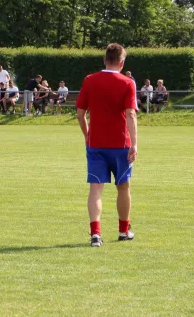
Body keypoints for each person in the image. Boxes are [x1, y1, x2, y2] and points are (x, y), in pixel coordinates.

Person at [76, 43, 137, 247]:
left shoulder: (90, 80)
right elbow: (130, 114)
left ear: (104, 60)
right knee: (123, 187)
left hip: (96, 144)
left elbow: (80, 113)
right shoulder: (128, 83)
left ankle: (95, 234)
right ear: (122, 62)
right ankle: (123, 230)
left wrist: (87, 134)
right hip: (120, 143)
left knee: (96, 189)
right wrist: (134, 143)